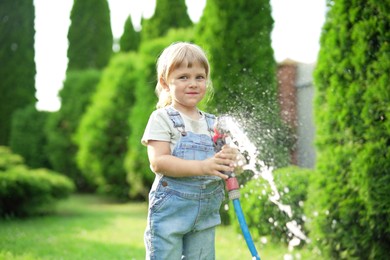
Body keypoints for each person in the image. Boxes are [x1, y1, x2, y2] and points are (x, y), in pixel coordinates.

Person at [142, 42, 241, 260]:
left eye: (199, 77)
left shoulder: (215, 125)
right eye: (183, 77)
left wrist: (234, 160)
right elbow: (158, 162)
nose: (193, 83)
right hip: (171, 213)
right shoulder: (162, 118)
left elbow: (233, 166)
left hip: (205, 215)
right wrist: (203, 166)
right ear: (165, 83)